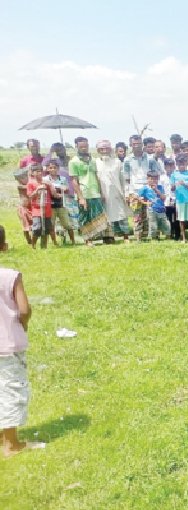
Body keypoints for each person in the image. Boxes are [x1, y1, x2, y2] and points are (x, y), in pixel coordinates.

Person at [0, 266, 38, 457]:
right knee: (10, 390)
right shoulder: (10, 277)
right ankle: (11, 443)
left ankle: (2, 435)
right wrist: (23, 325)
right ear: (3, 247)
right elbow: (24, 310)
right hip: (7, 345)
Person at [69, 137, 109, 245]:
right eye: (81, 147)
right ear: (76, 147)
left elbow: (96, 176)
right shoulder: (73, 162)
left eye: (86, 146)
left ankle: (98, 237)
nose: (84, 148)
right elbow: (74, 180)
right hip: (84, 193)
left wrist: (101, 192)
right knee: (85, 216)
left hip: (95, 192)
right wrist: (81, 197)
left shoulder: (93, 160)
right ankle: (88, 240)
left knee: (97, 215)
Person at [124, 135, 160, 241]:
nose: (137, 146)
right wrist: (127, 193)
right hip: (135, 192)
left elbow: (155, 175)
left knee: (149, 214)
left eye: (139, 144)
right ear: (130, 145)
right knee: (137, 215)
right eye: (134, 144)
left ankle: (149, 235)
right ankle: (138, 237)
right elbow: (126, 179)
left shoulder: (150, 159)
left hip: (149, 191)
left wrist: (154, 189)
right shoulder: (127, 160)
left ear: (142, 145)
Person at [95, 140, 131, 243]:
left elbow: (122, 179)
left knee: (121, 215)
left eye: (106, 148)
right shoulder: (96, 162)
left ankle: (126, 236)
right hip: (103, 194)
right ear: (98, 150)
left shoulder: (117, 162)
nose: (104, 151)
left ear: (110, 149)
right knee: (105, 216)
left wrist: (125, 193)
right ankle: (109, 238)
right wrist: (99, 193)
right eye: (102, 149)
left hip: (117, 193)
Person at [43, 159, 76, 245]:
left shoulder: (63, 178)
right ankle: (55, 243)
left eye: (55, 167)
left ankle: (73, 241)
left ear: (58, 168)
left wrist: (63, 189)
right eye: (50, 168)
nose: (53, 169)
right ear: (47, 169)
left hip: (62, 204)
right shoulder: (45, 179)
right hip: (50, 206)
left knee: (67, 224)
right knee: (51, 225)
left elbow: (67, 189)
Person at [26, 164, 54, 249]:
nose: (40, 173)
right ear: (33, 173)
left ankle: (44, 246)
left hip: (47, 208)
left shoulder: (46, 182)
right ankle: (33, 245)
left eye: (41, 171)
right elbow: (30, 196)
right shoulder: (30, 183)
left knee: (46, 228)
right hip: (37, 209)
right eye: (37, 171)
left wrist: (51, 185)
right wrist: (37, 189)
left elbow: (53, 193)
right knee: (37, 227)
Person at [171, 155, 188, 243]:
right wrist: (174, 186)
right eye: (179, 164)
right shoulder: (174, 174)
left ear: (186, 164)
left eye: (183, 164)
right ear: (177, 164)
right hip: (179, 200)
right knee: (181, 220)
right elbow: (172, 188)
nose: (181, 166)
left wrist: (184, 184)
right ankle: (183, 238)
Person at [138, 172, 170, 240]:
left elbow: (163, 198)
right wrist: (146, 203)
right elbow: (139, 198)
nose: (153, 181)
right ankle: (153, 238)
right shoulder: (145, 188)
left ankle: (168, 237)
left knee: (166, 224)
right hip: (151, 210)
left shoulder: (160, 187)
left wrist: (156, 190)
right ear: (147, 179)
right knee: (153, 225)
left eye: (155, 179)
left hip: (161, 209)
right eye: (151, 179)